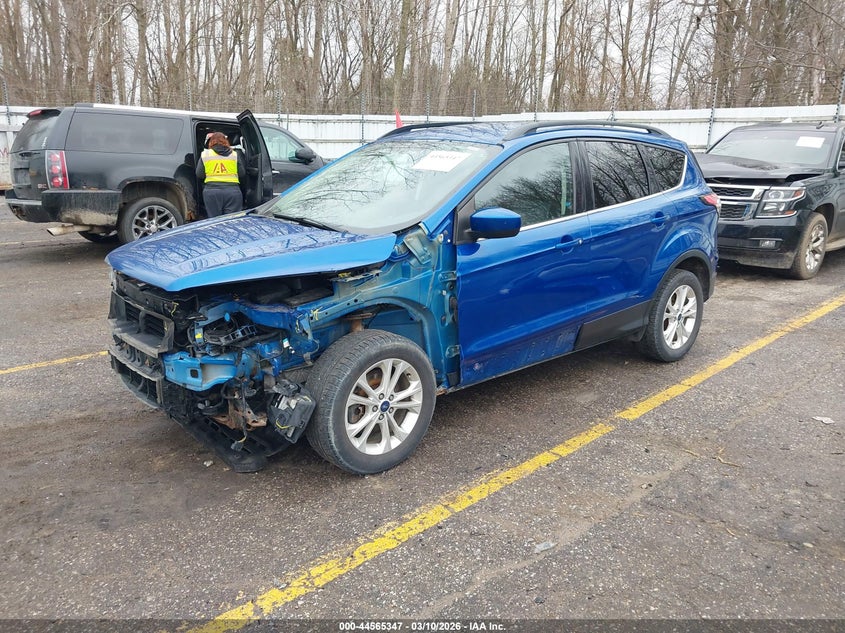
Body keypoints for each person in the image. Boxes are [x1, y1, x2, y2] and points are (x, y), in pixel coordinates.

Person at [195, 131, 246, 217]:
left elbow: (199, 174)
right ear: (226, 142)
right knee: (231, 221)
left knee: (214, 221)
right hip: (232, 192)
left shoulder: (205, 154)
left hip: (212, 192)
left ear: (211, 142)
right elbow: (242, 173)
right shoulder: (234, 154)